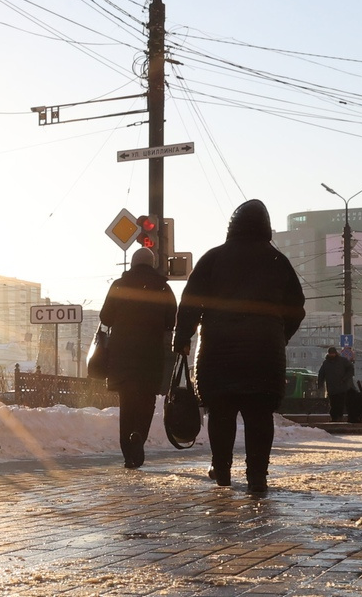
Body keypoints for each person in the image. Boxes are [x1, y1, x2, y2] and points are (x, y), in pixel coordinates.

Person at [172, 199, 306, 494]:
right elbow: (297, 306)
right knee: (259, 416)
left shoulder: (214, 258)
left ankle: (221, 472)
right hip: (264, 355)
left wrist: (182, 338)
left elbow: (190, 301)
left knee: (221, 415)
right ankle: (257, 477)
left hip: (218, 353)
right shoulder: (277, 261)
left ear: (232, 226)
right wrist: (279, 335)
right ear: (266, 227)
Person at [99, 246, 177, 469]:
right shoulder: (163, 288)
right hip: (150, 355)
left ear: (132, 264)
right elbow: (172, 319)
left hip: (122, 355)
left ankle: (127, 453)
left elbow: (105, 316)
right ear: (151, 264)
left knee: (127, 403)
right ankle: (139, 437)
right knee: (146, 400)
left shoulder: (119, 285)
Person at [317, 346, 355, 422]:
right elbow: (321, 374)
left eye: (333, 353)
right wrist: (320, 384)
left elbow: (351, 369)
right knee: (333, 403)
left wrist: (345, 378)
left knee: (340, 403)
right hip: (331, 387)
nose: (332, 355)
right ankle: (334, 417)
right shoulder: (326, 363)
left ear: (335, 353)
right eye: (330, 353)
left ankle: (339, 417)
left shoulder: (343, 361)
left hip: (342, 387)